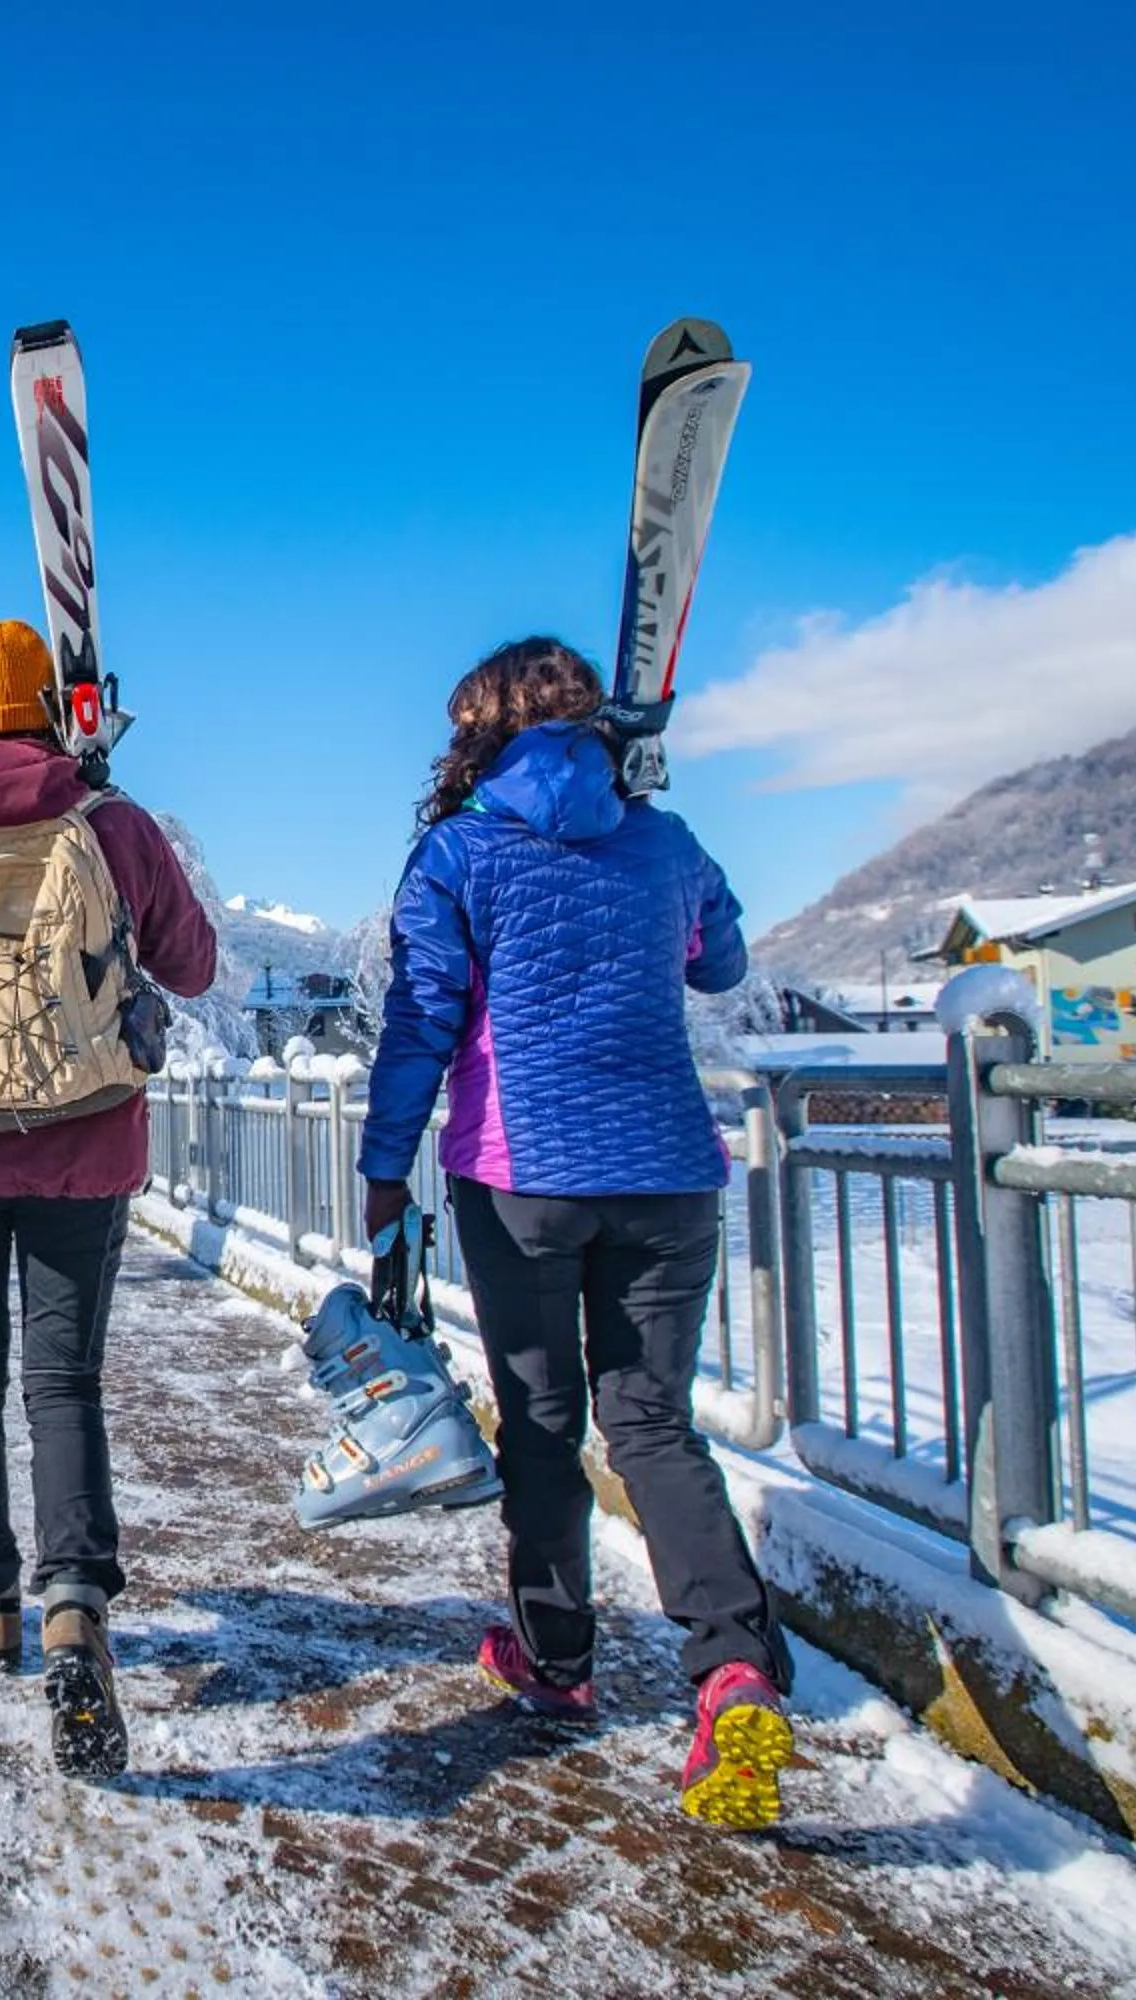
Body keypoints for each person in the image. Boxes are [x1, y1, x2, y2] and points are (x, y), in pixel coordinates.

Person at [358, 635, 796, 1830]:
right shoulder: (663, 837)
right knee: (653, 1423)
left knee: (545, 1424)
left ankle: (558, 1658)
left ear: (480, 732)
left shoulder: (458, 849)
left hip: (524, 1181)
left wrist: (382, 1167)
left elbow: (422, 1020)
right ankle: (733, 1665)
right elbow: (724, 963)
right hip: (668, 1176)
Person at [0, 617, 217, 1778]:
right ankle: (78, 1605)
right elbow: (197, 964)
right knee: (63, 1379)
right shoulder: (112, 824)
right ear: (55, 710)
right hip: (88, 1146)